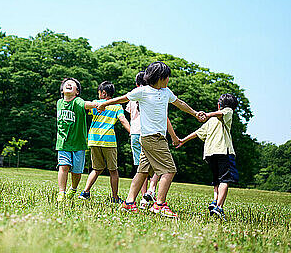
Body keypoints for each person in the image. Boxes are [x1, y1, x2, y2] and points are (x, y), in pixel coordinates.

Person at [97, 61, 206, 218]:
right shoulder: (142, 91)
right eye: (167, 77)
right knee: (169, 170)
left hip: (153, 138)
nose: (168, 80)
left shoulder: (166, 92)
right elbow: (122, 99)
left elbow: (180, 103)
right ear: (160, 77)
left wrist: (195, 113)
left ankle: (129, 203)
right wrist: (105, 104)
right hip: (152, 137)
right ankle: (159, 205)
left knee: (142, 171)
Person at [176, 93, 239, 220]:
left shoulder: (211, 121)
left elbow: (198, 132)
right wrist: (208, 114)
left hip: (210, 153)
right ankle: (219, 208)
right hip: (223, 151)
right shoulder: (228, 112)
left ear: (218, 105)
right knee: (225, 180)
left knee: (216, 179)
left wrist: (183, 140)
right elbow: (222, 113)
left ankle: (215, 201)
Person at [79, 81, 130, 203]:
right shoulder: (117, 106)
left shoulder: (95, 104)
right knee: (113, 170)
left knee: (96, 168)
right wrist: (131, 131)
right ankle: (114, 197)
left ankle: (85, 192)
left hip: (93, 140)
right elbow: (123, 120)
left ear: (103, 93)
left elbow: (84, 108)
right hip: (108, 141)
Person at [56, 77, 97, 202]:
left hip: (78, 144)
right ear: (62, 90)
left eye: (72, 85)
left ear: (77, 92)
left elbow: (86, 104)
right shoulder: (59, 103)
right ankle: (61, 192)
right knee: (63, 166)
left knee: (77, 172)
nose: (68, 85)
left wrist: (96, 104)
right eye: (66, 84)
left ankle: (73, 188)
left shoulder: (77, 101)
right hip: (63, 142)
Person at [125, 71, 160, 208]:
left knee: (141, 167)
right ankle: (151, 190)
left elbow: (131, 115)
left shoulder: (133, 94)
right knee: (160, 164)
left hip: (134, 133)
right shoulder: (152, 93)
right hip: (148, 131)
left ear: (136, 83)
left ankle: (143, 198)